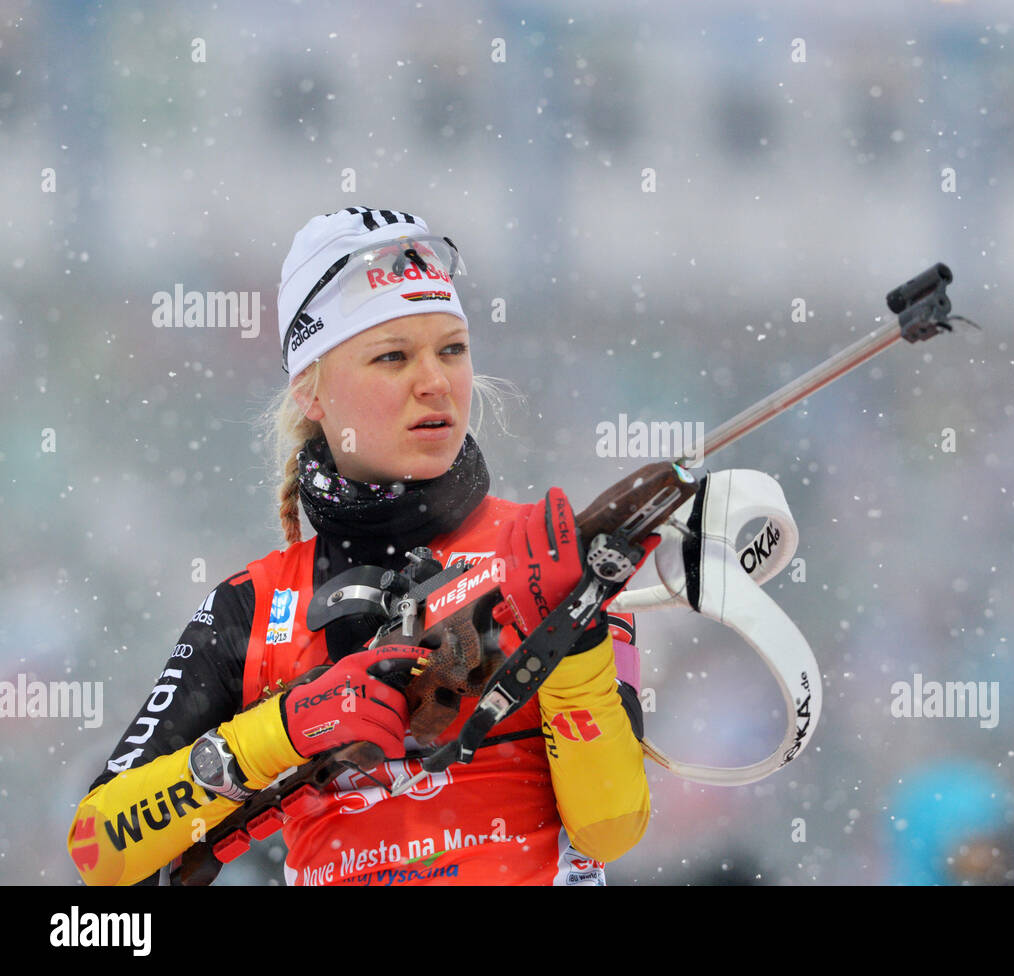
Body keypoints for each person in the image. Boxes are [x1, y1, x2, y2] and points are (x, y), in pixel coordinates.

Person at [67, 206, 652, 886]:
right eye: (393, 356)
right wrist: (279, 731)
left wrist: (573, 639)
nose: (435, 381)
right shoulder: (252, 608)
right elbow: (99, 850)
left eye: (452, 349)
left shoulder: (546, 550)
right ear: (311, 390)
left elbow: (611, 825)